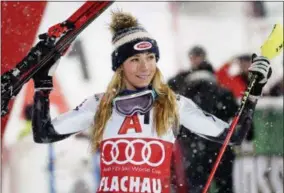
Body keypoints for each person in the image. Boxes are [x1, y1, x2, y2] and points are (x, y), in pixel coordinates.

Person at [31, 11, 272, 193]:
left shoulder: (174, 104)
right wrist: (43, 85)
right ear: (119, 65)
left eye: (150, 57)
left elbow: (236, 136)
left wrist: (253, 93)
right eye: (135, 59)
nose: (145, 66)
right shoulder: (100, 104)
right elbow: (44, 134)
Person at [168, 46, 239, 193]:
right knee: (224, 187)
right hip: (220, 148)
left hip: (192, 149)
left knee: (196, 186)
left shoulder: (182, 92)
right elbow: (239, 118)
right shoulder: (223, 92)